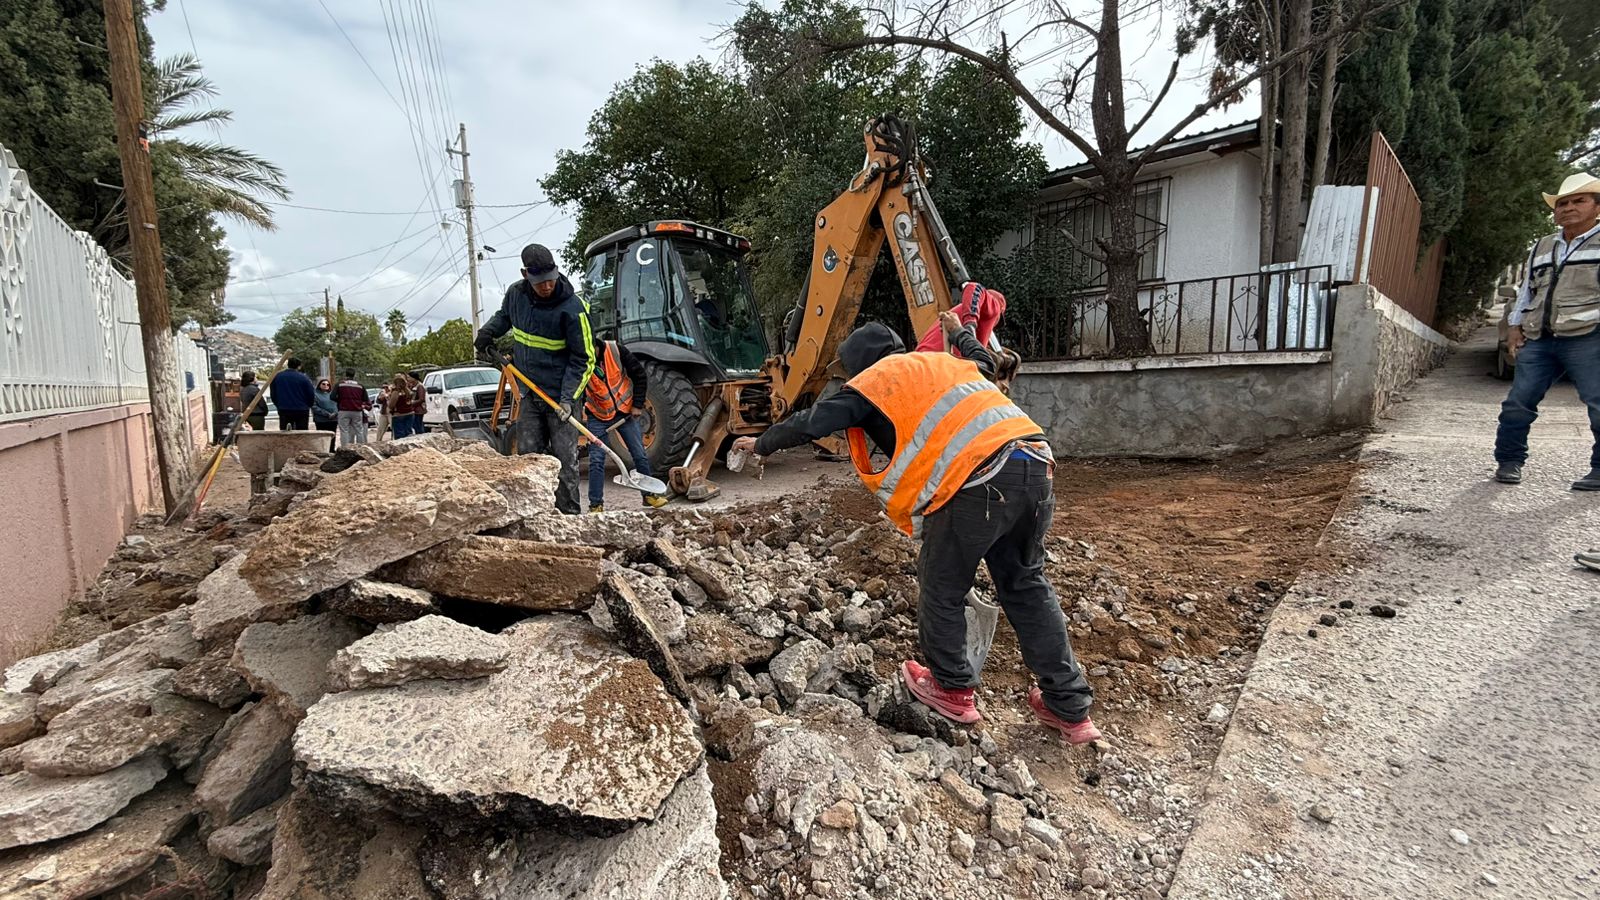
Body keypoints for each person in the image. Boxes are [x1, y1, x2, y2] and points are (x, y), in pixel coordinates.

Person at [732, 312, 1099, 744]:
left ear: (859, 367)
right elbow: (983, 360)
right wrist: (958, 333)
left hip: (975, 479)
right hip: (1035, 462)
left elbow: (812, 421)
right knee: (1026, 584)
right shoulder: (947, 365)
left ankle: (951, 687)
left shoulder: (875, 383)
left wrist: (761, 442)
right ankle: (1069, 709)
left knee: (941, 584)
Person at [1494, 171, 1600, 491]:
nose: (1567, 208)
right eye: (1562, 203)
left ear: (1597, 206)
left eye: (1578, 201)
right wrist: (1514, 325)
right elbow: (1527, 289)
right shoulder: (1542, 246)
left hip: (1588, 336)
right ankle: (1509, 460)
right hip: (1539, 338)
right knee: (1518, 402)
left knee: (1598, 404)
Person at [474, 243, 595, 514]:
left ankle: (570, 518)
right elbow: (504, 318)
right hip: (530, 393)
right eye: (540, 282)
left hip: (561, 397)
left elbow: (584, 359)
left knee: (565, 461)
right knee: (529, 456)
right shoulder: (516, 294)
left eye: (550, 280)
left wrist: (567, 400)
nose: (547, 286)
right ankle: (537, 514)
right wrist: (487, 333)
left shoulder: (573, 308)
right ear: (525, 274)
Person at [583, 333, 668, 512]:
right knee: (596, 460)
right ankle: (596, 504)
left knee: (639, 454)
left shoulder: (615, 351)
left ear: (596, 347)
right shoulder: (580, 360)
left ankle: (649, 495)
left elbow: (640, 376)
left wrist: (637, 405)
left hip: (624, 413)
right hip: (598, 416)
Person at [269, 358, 316, 431]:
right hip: (301, 409)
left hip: (284, 409)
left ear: (288, 365)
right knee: (302, 433)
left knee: (285, 433)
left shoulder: (278, 377)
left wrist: (278, 404)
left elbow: (273, 393)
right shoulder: (304, 378)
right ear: (299, 366)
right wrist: (308, 405)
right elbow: (310, 394)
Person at [334, 369, 370, 446]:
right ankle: (361, 448)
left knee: (344, 431)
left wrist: (340, 400)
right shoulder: (360, 386)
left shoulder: (339, 385)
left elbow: (332, 396)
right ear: (354, 375)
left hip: (343, 410)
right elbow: (365, 399)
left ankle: (345, 448)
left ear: (345, 374)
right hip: (357, 411)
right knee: (359, 430)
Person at [387, 374, 420, 438]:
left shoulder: (395, 392)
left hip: (399, 414)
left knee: (400, 434)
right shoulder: (408, 391)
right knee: (408, 433)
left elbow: (391, 405)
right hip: (410, 413)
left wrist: (389, 401)